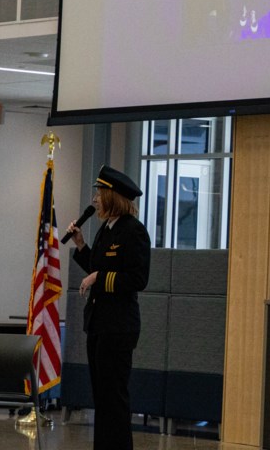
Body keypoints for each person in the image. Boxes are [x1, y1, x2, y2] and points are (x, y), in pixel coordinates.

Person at [68, 165, 151, 450]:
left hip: (119, 326)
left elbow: (138, 279)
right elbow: (96, 268)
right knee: (101, 397)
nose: (95, 199)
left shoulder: (134, 231)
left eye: (99, 193)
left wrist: (100, 278)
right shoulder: (106, 228)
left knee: (114, 397)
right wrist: (81, 245)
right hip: (99, 323)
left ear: (113, 196)